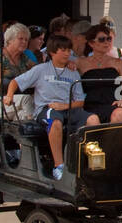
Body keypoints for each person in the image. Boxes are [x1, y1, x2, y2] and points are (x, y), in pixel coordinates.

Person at [7, 34, 87, 177]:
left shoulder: (73, 72)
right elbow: (15, 82)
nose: (67, 53)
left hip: (68, 108)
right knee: (55, 121)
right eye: (63, 50)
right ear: (52, 52)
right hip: (47, 109)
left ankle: (88, 163)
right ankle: (59, 166)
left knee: (93, 120)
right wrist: (9, 95)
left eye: (69, 50)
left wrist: (64, 106)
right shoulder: (41, 69)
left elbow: (81, 101)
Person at [78, 23, 122, 124]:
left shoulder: (118, 62)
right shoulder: (80, 63)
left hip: (116, 101)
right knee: (119, 113)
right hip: (94, 104)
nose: (106, 42)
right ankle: (110, 140)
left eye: (109, 39)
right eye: (102, 39)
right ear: (91, 43)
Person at [0, 23, 37, 119]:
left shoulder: (24, 58)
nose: (24, 42)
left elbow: (39, 71)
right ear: (10, 40)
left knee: (22, 116)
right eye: (21, 39)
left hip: (15, 102)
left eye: (26, 40)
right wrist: (17, 84)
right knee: (27, 99)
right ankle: (34, 125)